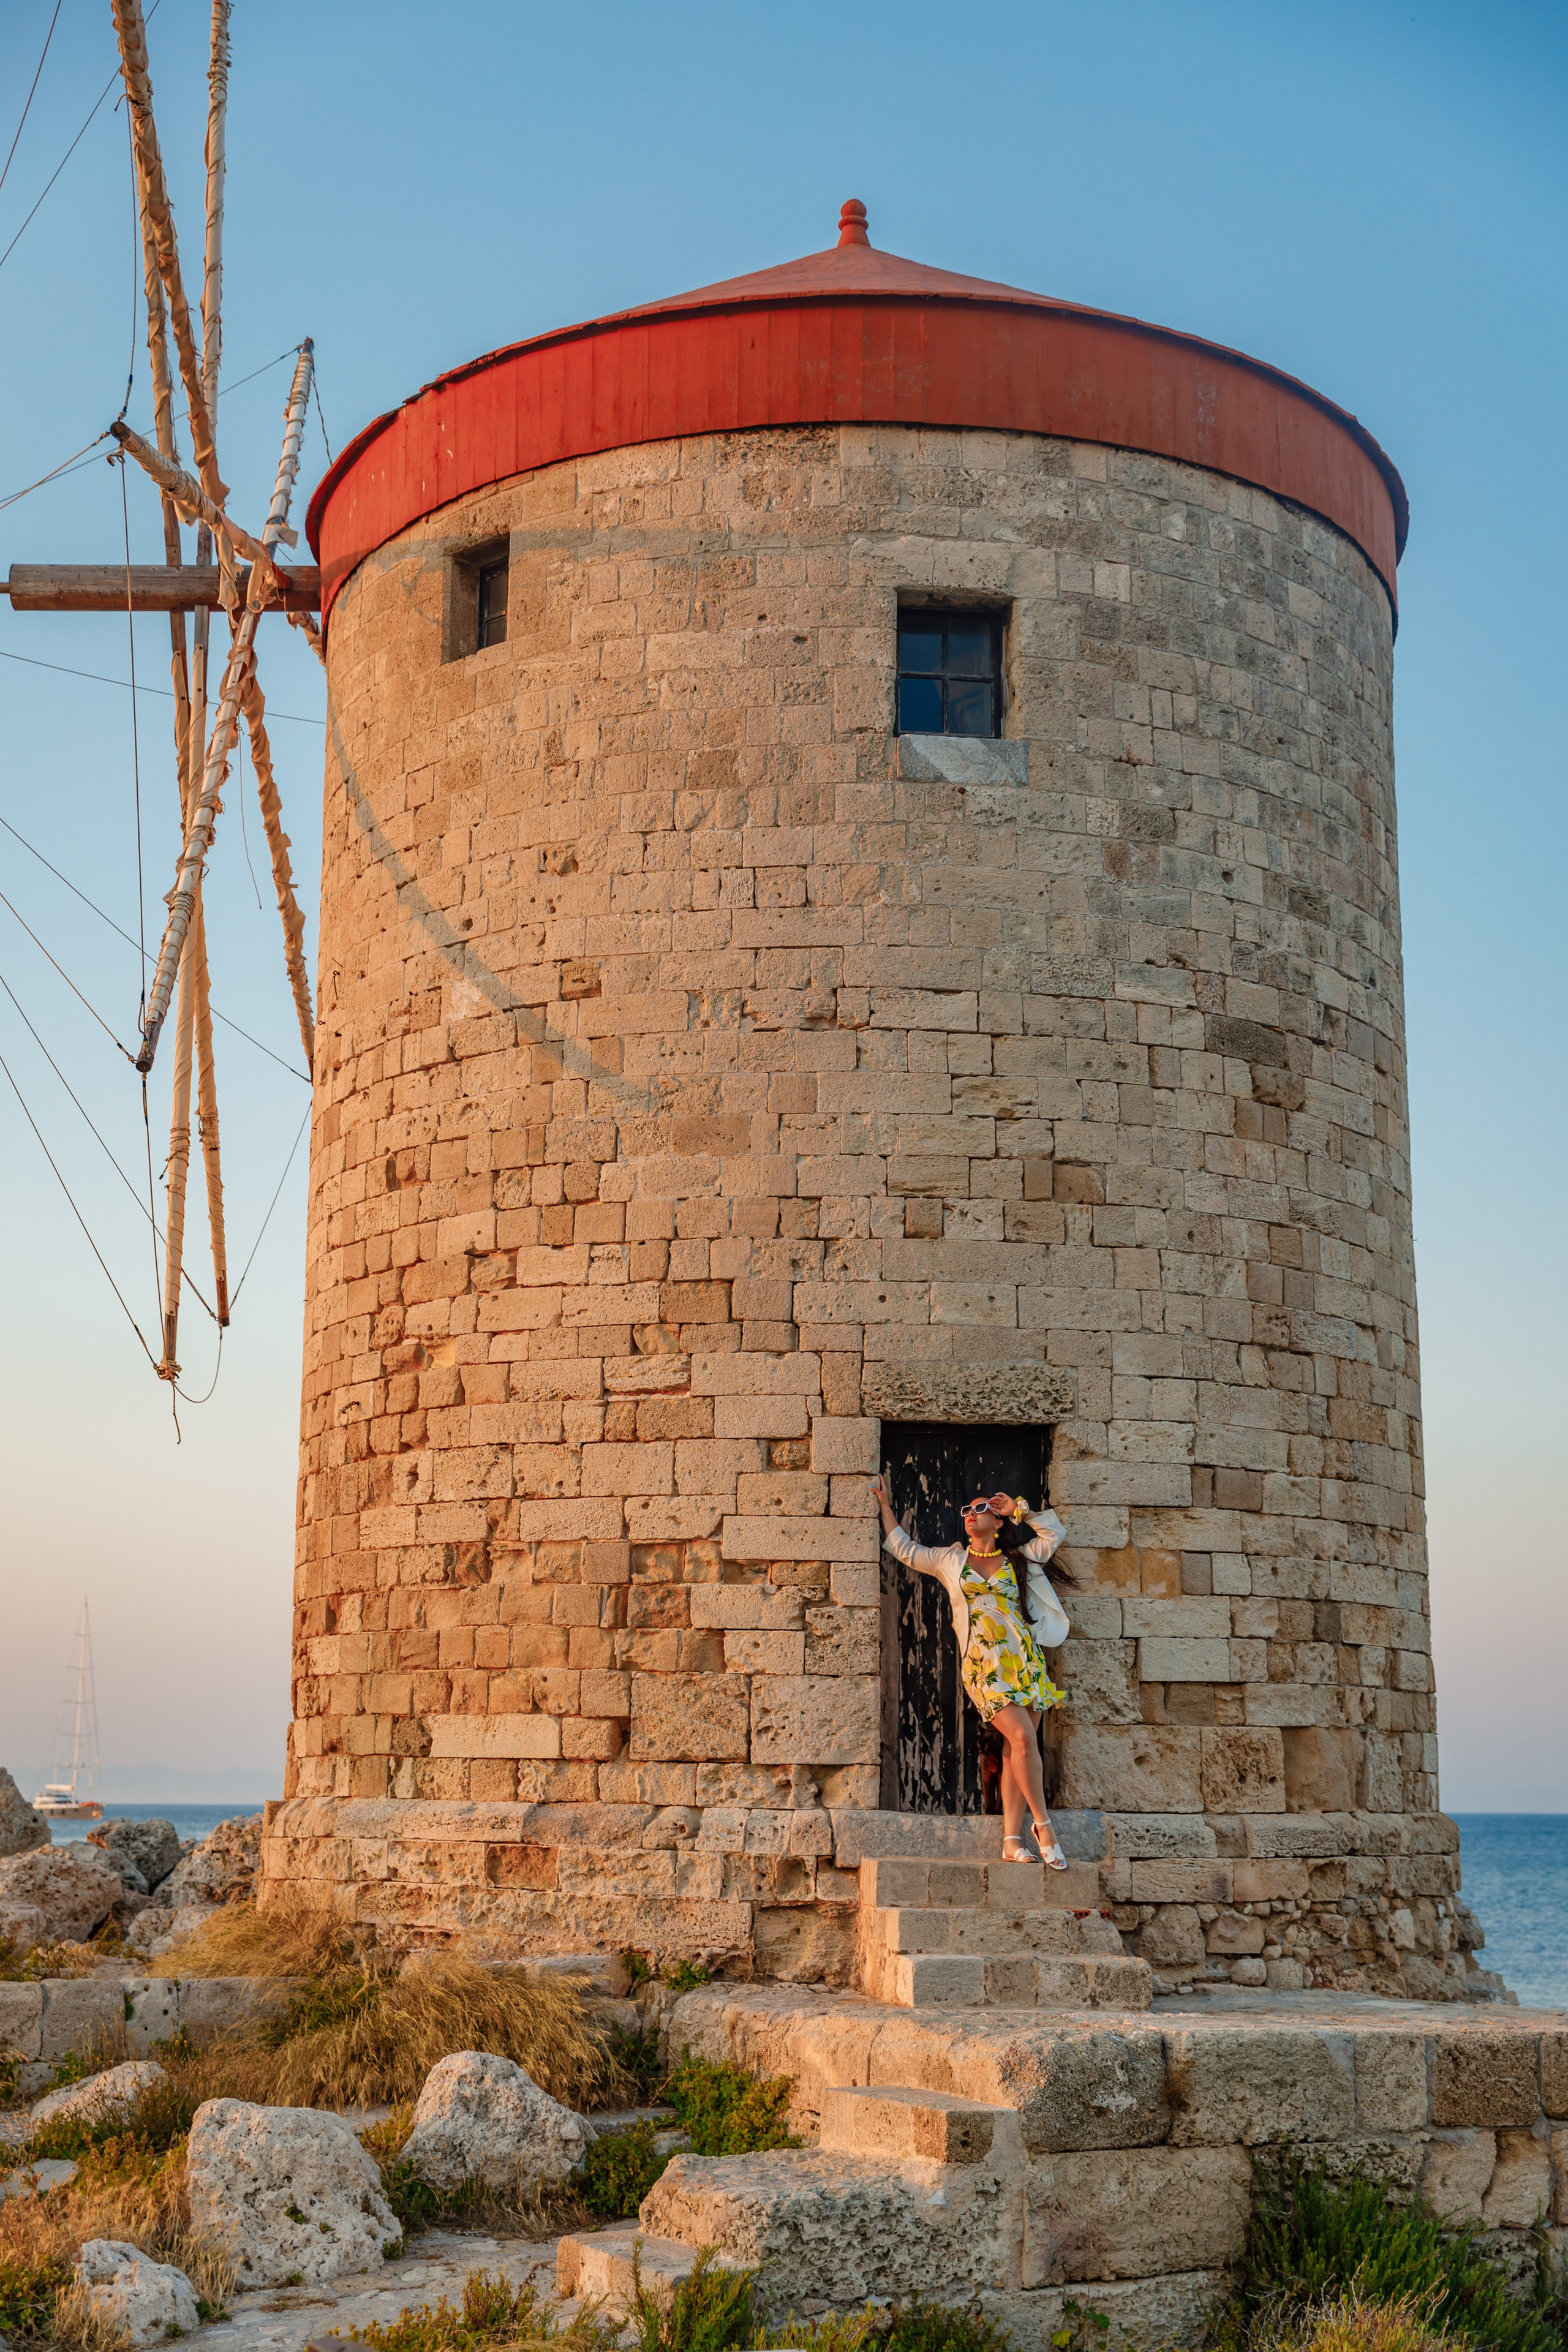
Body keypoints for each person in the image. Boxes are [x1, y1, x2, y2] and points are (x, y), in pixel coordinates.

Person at [867, 1471, 1073, 1866]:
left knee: (1016, 1749)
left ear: (997, 1522)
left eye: (980, 1508)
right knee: (1023, 1738)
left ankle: (1011, 1841)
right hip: (983, 1665)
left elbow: (1053, 1535)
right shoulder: (952, 1560)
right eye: (966, 1510)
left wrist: (1019, 1510)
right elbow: (904, 1548)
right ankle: (1043, 1826)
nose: (970, 1513)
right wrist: (885, 1505)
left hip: (1025, 1662)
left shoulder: (1020, 1557)